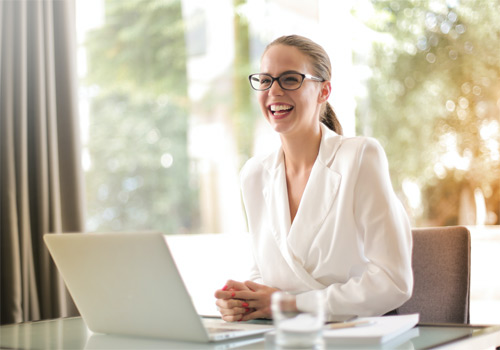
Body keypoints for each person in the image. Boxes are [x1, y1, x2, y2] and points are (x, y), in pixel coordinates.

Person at [214, 35, 413, 322]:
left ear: (324, 90)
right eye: (266, 80)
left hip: (354, 335)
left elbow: (394, 282)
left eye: (290, 79)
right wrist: (244, 300)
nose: (274, 91)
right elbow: (263, 270)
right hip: (287, 337)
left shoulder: (359, 157)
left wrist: (290, 304)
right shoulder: (254, 175)